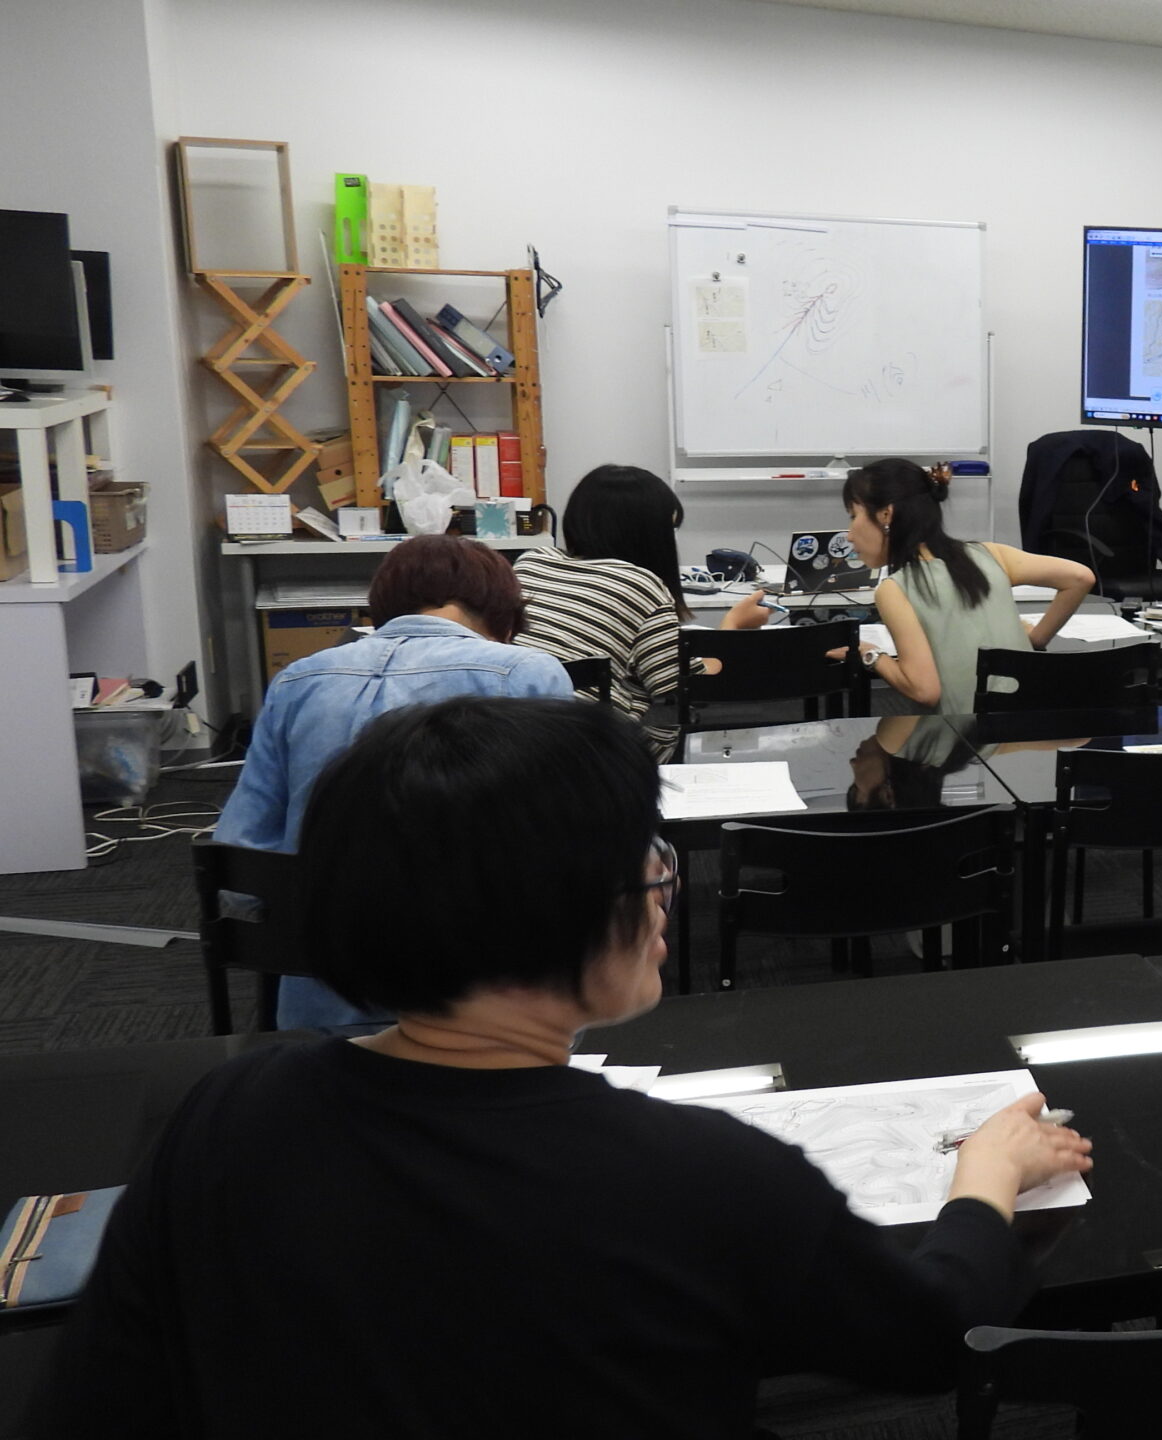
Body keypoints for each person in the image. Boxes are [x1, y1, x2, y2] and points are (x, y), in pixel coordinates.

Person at [42, 697, 1093, 1437]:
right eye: (650, 861)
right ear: (573, 910)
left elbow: (94, 1399)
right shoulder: (699, 1175)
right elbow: (925, 1339)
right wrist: (986, 1180)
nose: (665, 889)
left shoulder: (224, 1115)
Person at [214, 533, 571, 1030]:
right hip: (483, 998)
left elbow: (240, 855)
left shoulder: (297, 680)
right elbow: (572, 843)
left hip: (323, 995)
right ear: (501, 610)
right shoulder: (525, 674)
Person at [516, 463, 773, 757]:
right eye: (670, 529)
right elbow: (686, 687)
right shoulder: (641, 585)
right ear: (650, 534)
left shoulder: (531, 562)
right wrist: (732, 625)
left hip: (508, 740)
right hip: (592, 754)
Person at [844, 459, 1095, 713]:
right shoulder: (991, 554)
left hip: (967, 732)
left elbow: (924, 691)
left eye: (854, 516)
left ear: (886, 514)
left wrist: (871, 654)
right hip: (1033, 720)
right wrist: (1036, 639)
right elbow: (1080, 577)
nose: (850, 535)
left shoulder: (894, 589)